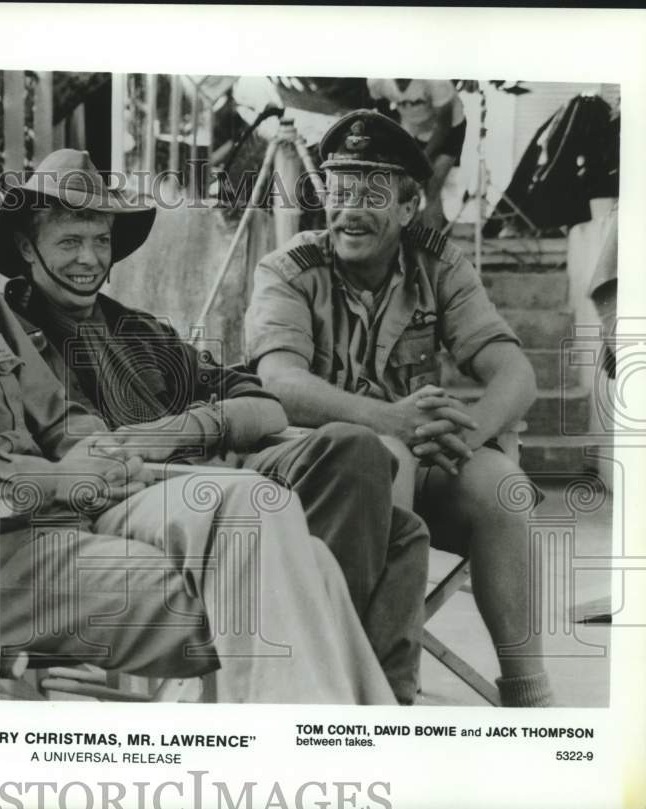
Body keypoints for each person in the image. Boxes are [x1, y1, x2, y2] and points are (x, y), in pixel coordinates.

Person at [0, 103, 397, 705]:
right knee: (292, 579)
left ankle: (336, 752)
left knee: (267, 509)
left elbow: (58, 416)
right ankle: (336, 758)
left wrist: (101, 456)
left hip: (80, 513)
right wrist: (56, 479)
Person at [0, 148, 430, 705]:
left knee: (375, 489)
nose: (89, 259)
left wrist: (182, 429)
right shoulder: (13, 335)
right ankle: (322, 691)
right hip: (135, 505)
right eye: (70, 241)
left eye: (100, 240)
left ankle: (343, 692)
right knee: (370, 510)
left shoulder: (137, 330)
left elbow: (263, 406)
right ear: (27, 247)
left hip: (207, 477)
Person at [244, 109, 552, 707]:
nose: (350, 209)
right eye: (339, 191)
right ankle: (381, 685)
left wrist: (468, 435)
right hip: (314, 471)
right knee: (386, 456)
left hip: (413, 451)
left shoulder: (437, 264)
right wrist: (393, 421)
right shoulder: (288, 269)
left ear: (409, 208)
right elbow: (279, 381)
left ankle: (528, 691)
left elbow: (515, 373)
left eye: (372, 194)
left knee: (503, 490)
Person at [367, 79, 466, 230]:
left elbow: (443, 126)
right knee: (405, 184)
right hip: (414, 130)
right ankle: (428, 225)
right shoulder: (378, 81)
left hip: (449, 130)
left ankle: (432, 244)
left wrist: (421, 159)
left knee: (432, 185)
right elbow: (382, 114)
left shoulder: (438, 82)